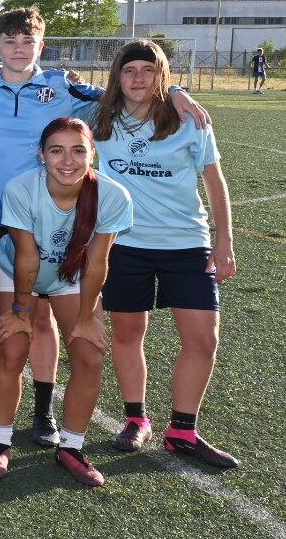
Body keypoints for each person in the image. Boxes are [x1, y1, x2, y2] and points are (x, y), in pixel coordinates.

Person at [0, 6, 206, 446]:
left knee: (42, 320)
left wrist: (173, 88)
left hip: (48, 216)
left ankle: (43, 413)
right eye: (9, 42)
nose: (18, 50)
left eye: (28, 42)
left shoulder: (62, 86)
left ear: (42, 46)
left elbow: (124, 94)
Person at [96, 40, 239, 468]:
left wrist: (225, 240)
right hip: (124, 245)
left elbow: (215, 182)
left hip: (186, 243)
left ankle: (182, 430)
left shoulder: (188, 120)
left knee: (203, 338)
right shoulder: (100, 121)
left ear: (162, 75)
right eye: (129, 70)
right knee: (128, 334)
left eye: (148, 69)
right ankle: (136, 418)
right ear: (117, 76)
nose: (138, 78)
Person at [0, 118, 133, 486]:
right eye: (56, 150)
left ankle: (71, 447)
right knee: (12, 348)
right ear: (41, 155)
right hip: (17, 273)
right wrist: (22, 312)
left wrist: (87, 318)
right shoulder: (21, 188)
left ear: (92, 153)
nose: (67, 160)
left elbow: (99, 260)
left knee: (89, 353)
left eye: (78, 150)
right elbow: (26, 256)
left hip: (72, 277)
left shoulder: (113, 195)